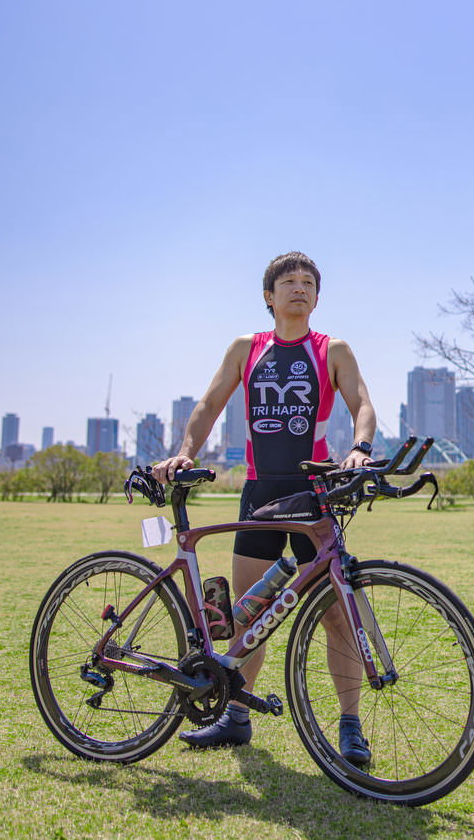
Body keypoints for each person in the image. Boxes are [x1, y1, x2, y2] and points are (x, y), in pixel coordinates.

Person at [151, 250, 376, 764]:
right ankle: (235, 718)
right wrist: (186, 451)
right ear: (269, 297)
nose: (300, 289)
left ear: (317, 297)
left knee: (339, 617)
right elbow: (209, 405)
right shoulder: (245, 348)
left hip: (313, 495)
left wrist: (360, 448)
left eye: (309, 283)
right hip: (259, 495)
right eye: (289, 282)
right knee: (246, 616)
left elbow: (363, 403)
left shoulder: (332, 349)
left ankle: (349, 726)